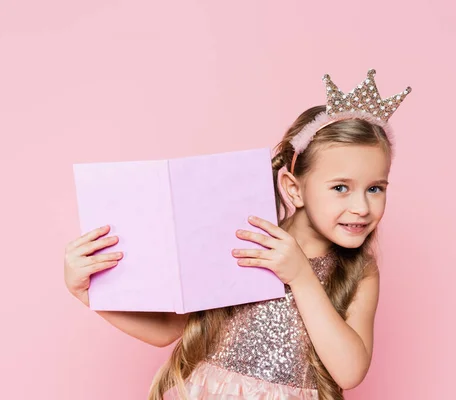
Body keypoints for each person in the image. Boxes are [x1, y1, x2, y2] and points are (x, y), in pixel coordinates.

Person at [63, 69, 411, 399]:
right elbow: (169, 329)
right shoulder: (246, 244)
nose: (362, 207)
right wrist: (90, 296)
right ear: (294, 188)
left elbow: (349, 371)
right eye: (340, 187)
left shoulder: (359, 271)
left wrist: (301, 276)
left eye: (375, 189)